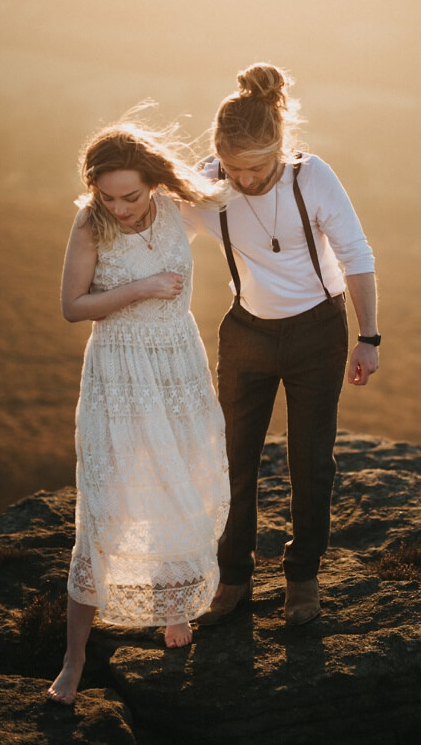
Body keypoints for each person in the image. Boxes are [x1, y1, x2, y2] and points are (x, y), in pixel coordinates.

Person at [183, 63, 380, 627]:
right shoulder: (209, 180)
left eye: (254, 168)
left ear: (281, 147)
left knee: (310, 460)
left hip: (318, 330)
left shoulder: (311, 177)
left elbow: (356, 257)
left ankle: (303, 579)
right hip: (246, 331)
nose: (242, 180)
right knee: (232, 460)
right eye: (232, 168)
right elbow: (158, 227)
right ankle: (234, 579)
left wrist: (368, 338)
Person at [47, 124, 230, 706]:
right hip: (118, 377)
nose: (120, 208)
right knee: (104, 508)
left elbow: (233, 171)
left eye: (131, 196)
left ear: (153, 183)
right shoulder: (89, 224)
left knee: (180, 483)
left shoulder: (180, 207)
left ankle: (175, 604)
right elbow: (73, 307)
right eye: (108, 197)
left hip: (178, 368)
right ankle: (74, 659)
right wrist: (143, 286)